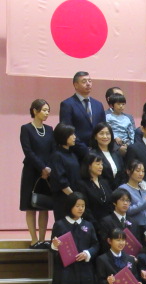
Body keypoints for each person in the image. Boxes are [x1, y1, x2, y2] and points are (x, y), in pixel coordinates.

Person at [20, 99, 54, 248]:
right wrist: (42, 167)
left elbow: (53, 151)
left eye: (48, 111)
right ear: (35, 111)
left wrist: (48, 168)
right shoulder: (26, 129)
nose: (47, 113)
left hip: (47, 172)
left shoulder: (50, 129)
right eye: (44, 110)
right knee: (30, 205)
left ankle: (42, 239)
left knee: (44, 205)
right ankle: (34, 240)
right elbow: (28, 151)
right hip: (31, 171)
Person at [59, 71, 106, 157]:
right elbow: (67, 131)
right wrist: (85, 150)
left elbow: (103, 127)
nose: (88, 84)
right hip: (77, 152)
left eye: (90, 81)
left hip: (98, 152)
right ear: (76, 85)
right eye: (84, 81)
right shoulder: (67, 104)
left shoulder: (98, 104)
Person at [49, 123, 81, 221]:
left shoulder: (72, 154)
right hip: (63, 199)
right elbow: (61, 180)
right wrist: (74, 197)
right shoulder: (56, 155)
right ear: (63, 136)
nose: (75, 137)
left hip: (74, 197)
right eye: (71, 134)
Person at [98, 188, 137, 253]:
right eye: (122, 200)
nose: (125, 203)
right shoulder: (106, 221)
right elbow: (104, 244)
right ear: (114, 202)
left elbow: (137, 244)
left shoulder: (134, 222)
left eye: (127, 201)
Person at [77, 152, 112, 224]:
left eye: (102, 164)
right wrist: (95, 224)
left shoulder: (104, 182)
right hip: (93, 223)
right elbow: (85, 208)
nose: (101, 167)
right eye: (98, 164)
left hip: (109, 223)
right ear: (89, 166)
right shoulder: (82, 185)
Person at [89, 122, 125, 190]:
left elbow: (122, 173)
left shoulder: (116, 153)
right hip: (102, 191)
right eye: (101, 133)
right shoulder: (92, 155)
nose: (105, 136)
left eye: (108, 133)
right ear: (95, 136)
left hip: (119, 191)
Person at [119, 159, 146, 226]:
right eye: (137, 171)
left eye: (143, 171)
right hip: (133, 225)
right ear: (128, 171)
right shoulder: (123, 189)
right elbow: (128, 210)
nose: (141, 174)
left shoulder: (143, 187)